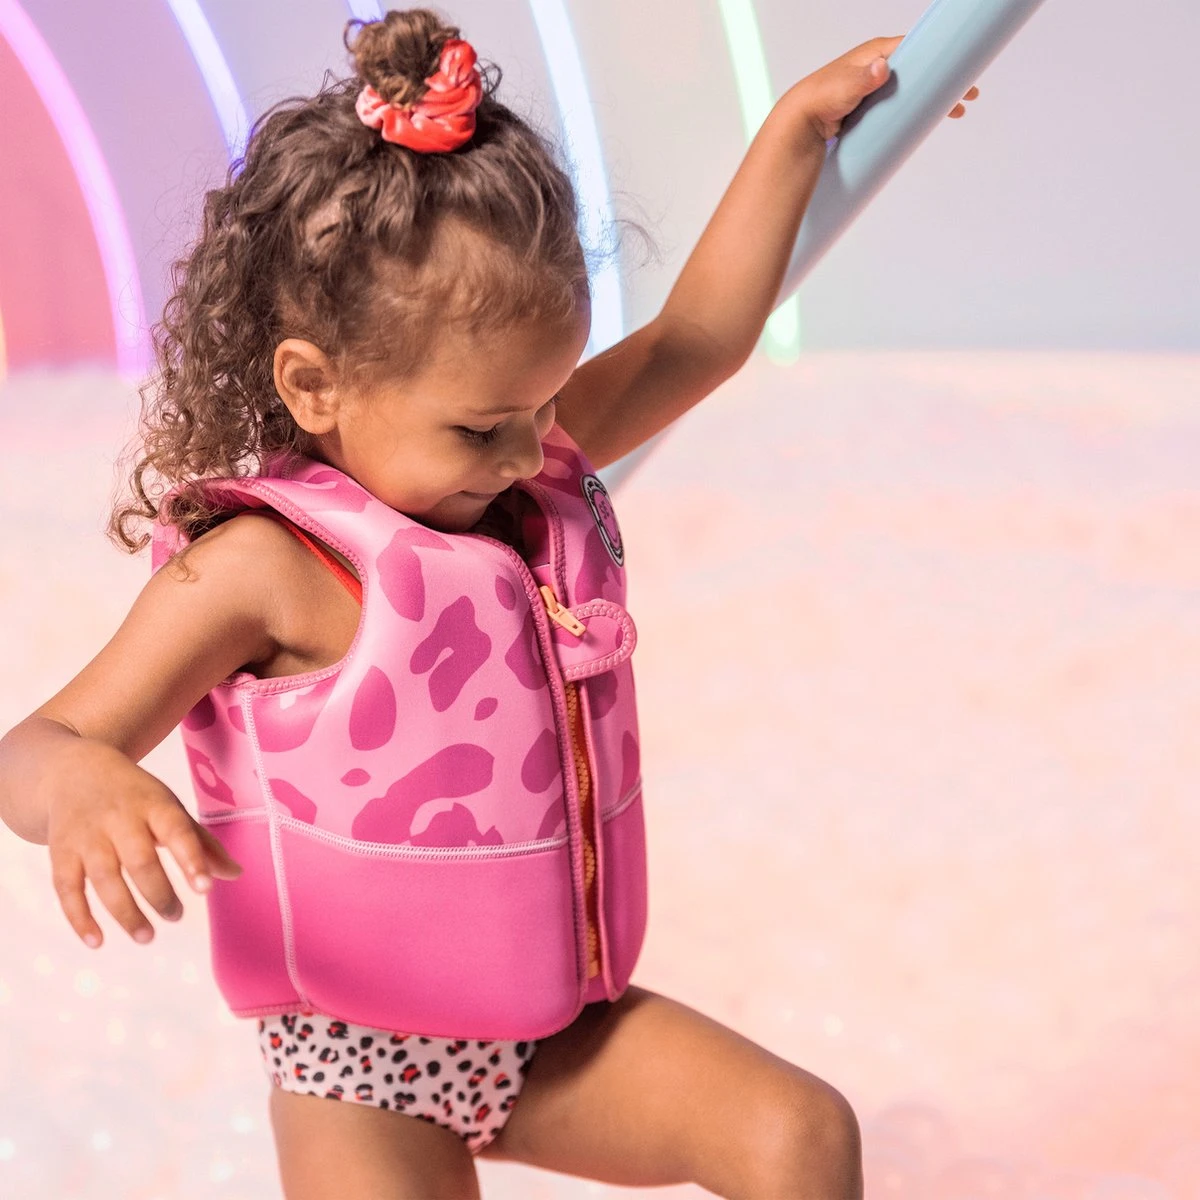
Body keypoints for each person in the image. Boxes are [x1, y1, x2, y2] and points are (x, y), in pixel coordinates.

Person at [0, 9, 977, 1197]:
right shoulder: (261, 567)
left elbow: (696, 340)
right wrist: (88, 781)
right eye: (480, 427)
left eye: (545, 404)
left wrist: (791, 134)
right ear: (315, 384)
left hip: (548, 1026)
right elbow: (35, 747)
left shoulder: (520, 467)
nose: (529, 452)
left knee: (799, 1133)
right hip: (358, 1069)